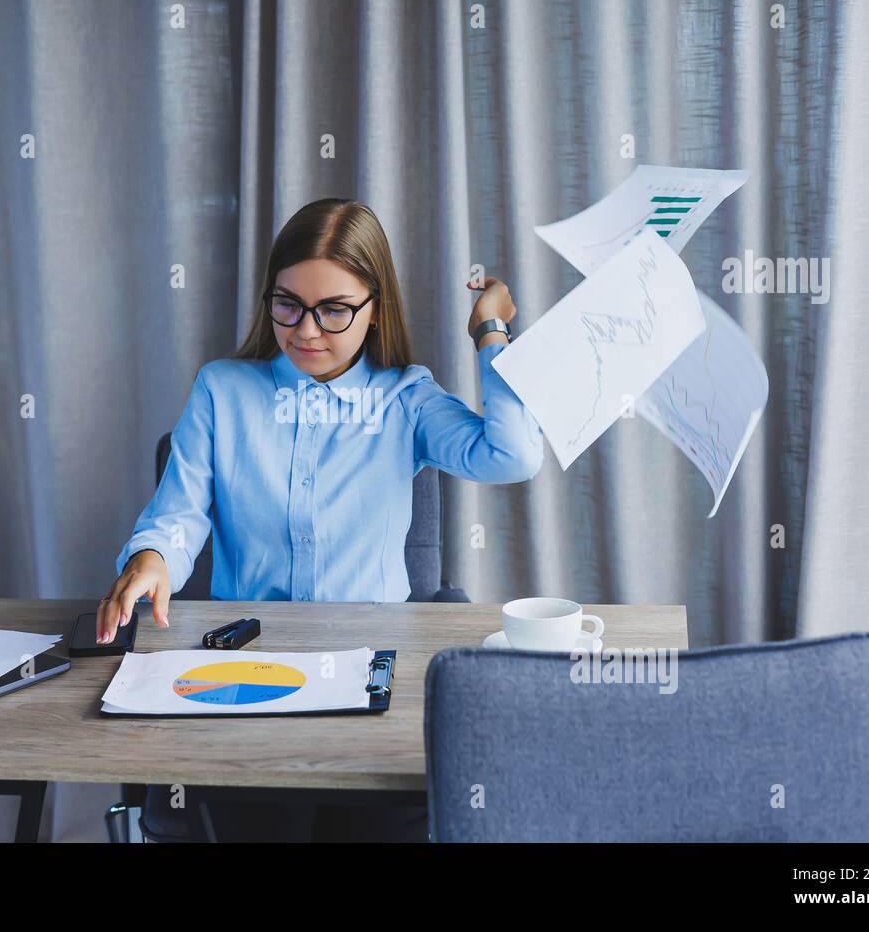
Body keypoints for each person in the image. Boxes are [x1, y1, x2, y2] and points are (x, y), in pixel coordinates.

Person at [97, 197, 544, 840]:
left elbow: (514, 455)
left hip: (370, 677)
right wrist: (151, 559)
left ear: (375, 309)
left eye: (333, 310)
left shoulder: (407, 397)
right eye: (287, 304)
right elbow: (179, 512)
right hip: (247, 679)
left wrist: (491, 334)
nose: (305, 330)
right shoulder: (222, 389)